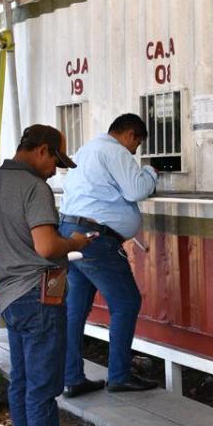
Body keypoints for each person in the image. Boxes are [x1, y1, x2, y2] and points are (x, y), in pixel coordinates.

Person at [0, 124, 101, 426]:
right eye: (55, 161)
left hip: (11, 298)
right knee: (42, 387)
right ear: (42, 150)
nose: (55, 170)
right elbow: (47, 247)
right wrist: (74, 241)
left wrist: (12, 246)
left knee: (23, 383)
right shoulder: (35, 188)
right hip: (39, 297)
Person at [59, 113, 159, 396]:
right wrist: (151, 172)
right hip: (96, 238)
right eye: (136, 145)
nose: (134, 152)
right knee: (126, 301)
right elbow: (137, 190)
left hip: (70, 231)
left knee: (76, 308)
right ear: (130, 135)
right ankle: (119, 375)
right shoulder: (114, 151)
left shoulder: (87, 150)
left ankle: (72, 377)